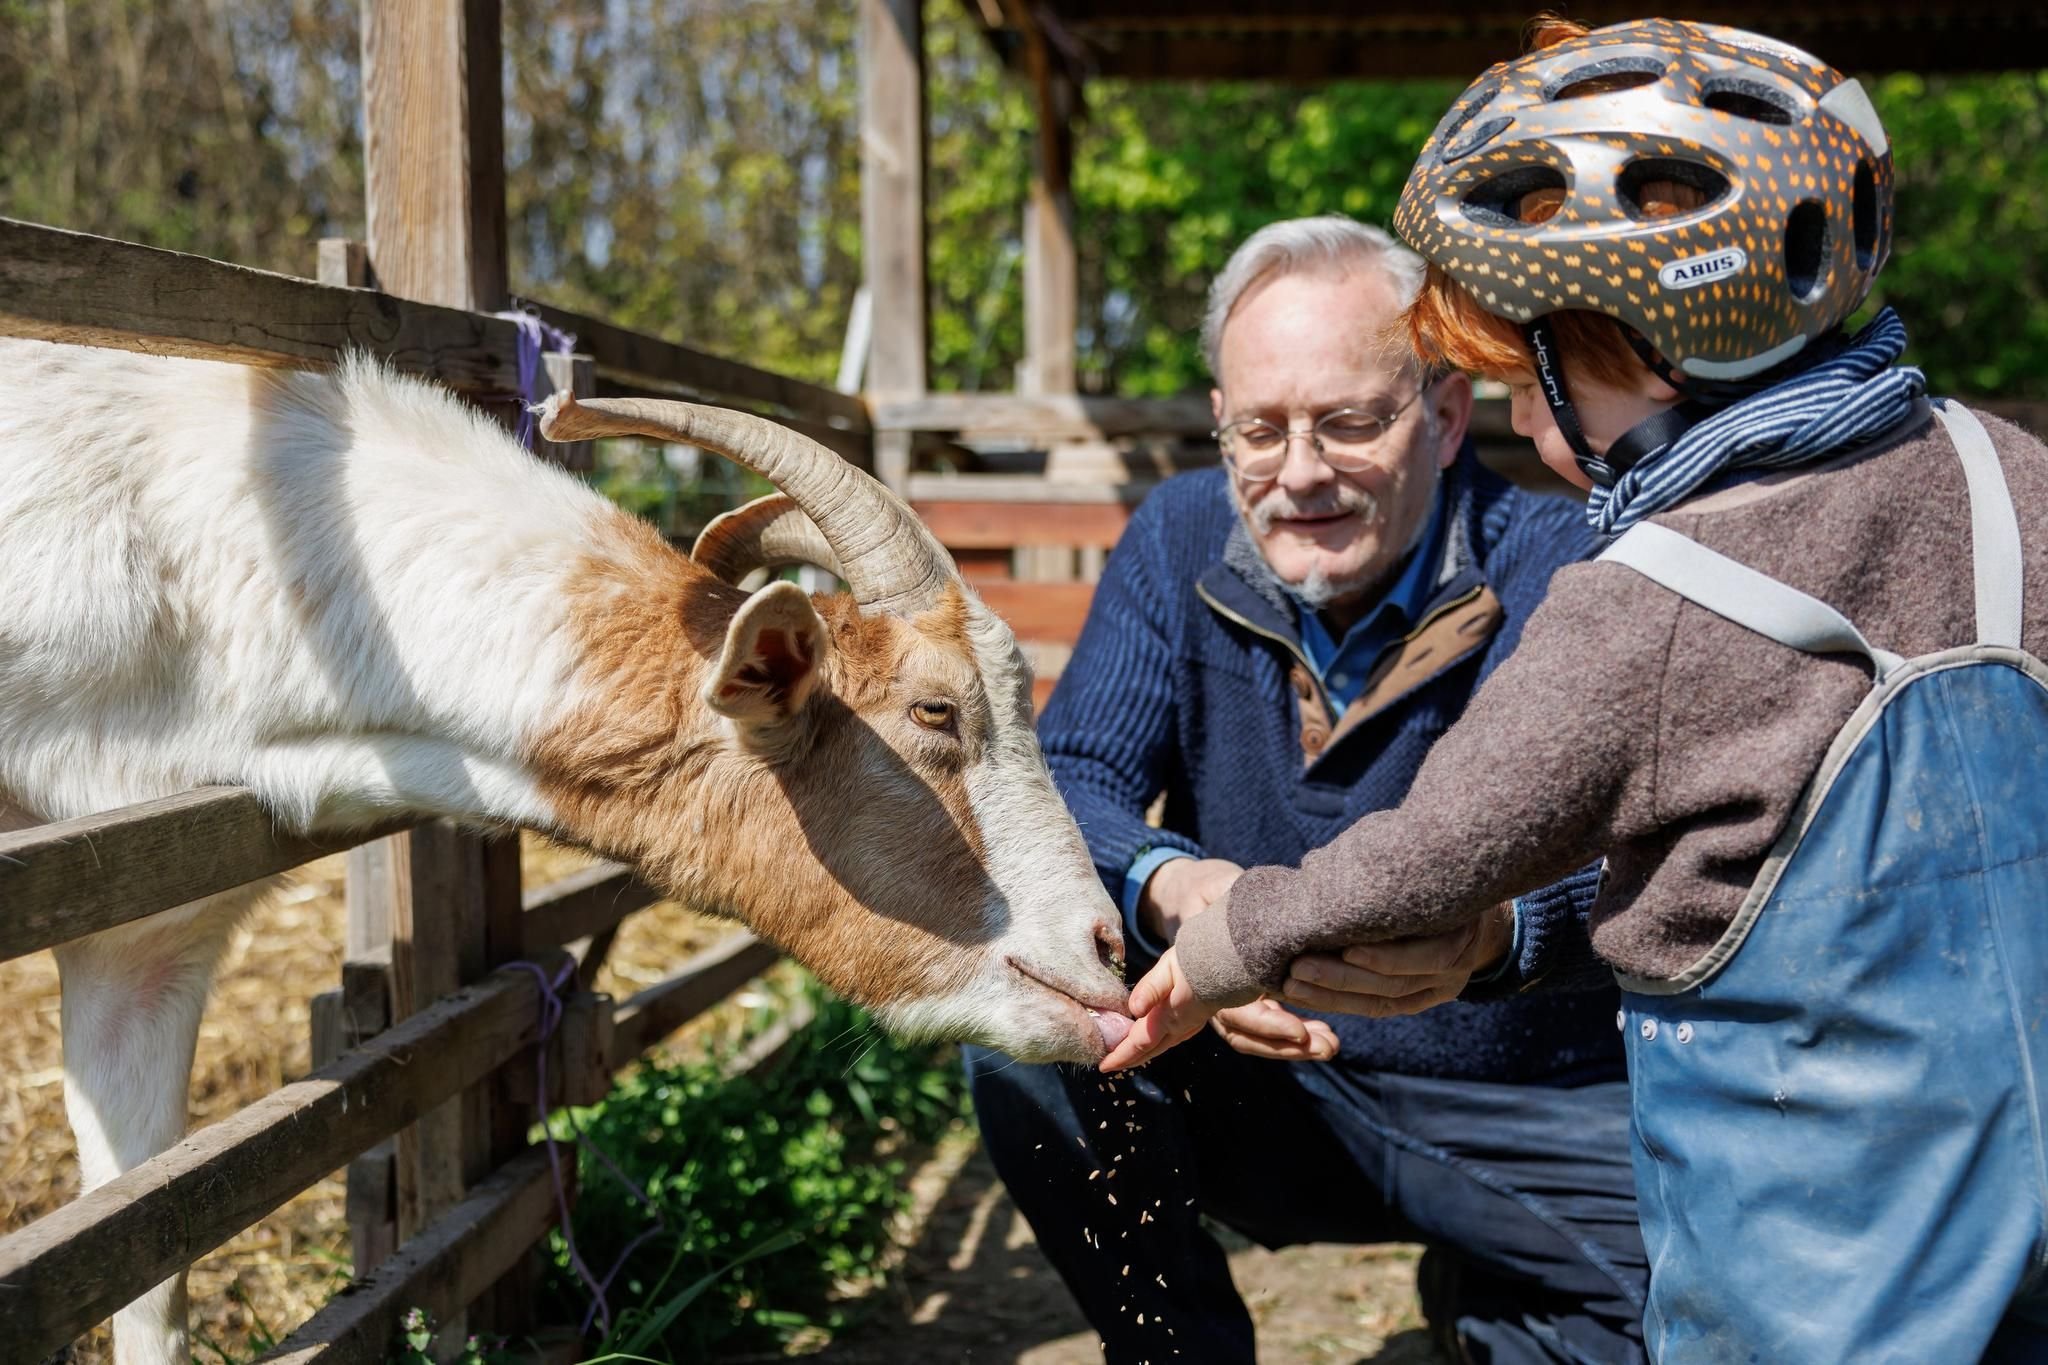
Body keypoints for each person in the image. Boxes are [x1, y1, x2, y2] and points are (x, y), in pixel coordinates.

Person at [1104, 18, 2048, 1364]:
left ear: (1641, 349)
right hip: (2013, 1173)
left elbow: (1432, 853)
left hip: (1795, 1239)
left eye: (1532, 372)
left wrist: (1221, 947)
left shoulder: (1643, 596)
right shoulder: (2008, 477)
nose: (1523, 425)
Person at [966, 214, 1650, 1364]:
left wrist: (1496, 934)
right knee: (1030, 1037)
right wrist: (1179, 893)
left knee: (1700, 1310)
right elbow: (1068, 775)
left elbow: (1644, 844)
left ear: (1442, 416)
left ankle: (1489, 1301)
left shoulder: (1567, 564)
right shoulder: (1178, 534)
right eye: (1259, 430)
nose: (1297, 474)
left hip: (1524, 1094)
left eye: (1347, 423)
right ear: (1220, 424)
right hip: (1262, 1086)